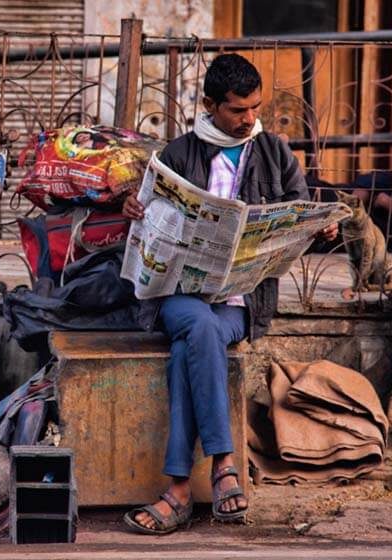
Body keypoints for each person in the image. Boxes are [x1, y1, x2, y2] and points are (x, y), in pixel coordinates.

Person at [121, 54, 339, 534]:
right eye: (238, 110)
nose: (249, 120)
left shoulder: (276, 153)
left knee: (190, 349)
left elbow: (294, 214)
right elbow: (146, 220)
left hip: (239, 304)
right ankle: (224, 463)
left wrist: (314, 232)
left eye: (255, 108)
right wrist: (137, 208)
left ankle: (177, 490)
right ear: (211, 106)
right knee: (195, 324)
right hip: (180, 298)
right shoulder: (177, 155)